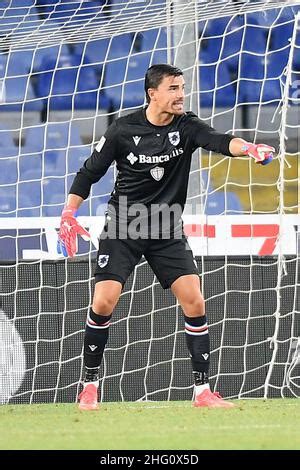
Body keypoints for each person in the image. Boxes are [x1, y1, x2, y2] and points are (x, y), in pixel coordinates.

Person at [57, 64, 275, 410]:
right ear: (152, 93)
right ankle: (89, 385)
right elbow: (89, 173)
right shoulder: (122, 129)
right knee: (104, 301)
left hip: (166, 227)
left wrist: (248, 148)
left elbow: (218, 141)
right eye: (173, 88)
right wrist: (69, 212)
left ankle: (202, 392)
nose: (181, 95)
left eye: (182, 87)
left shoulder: (186, 126)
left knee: (195, 300)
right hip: (124, 224)